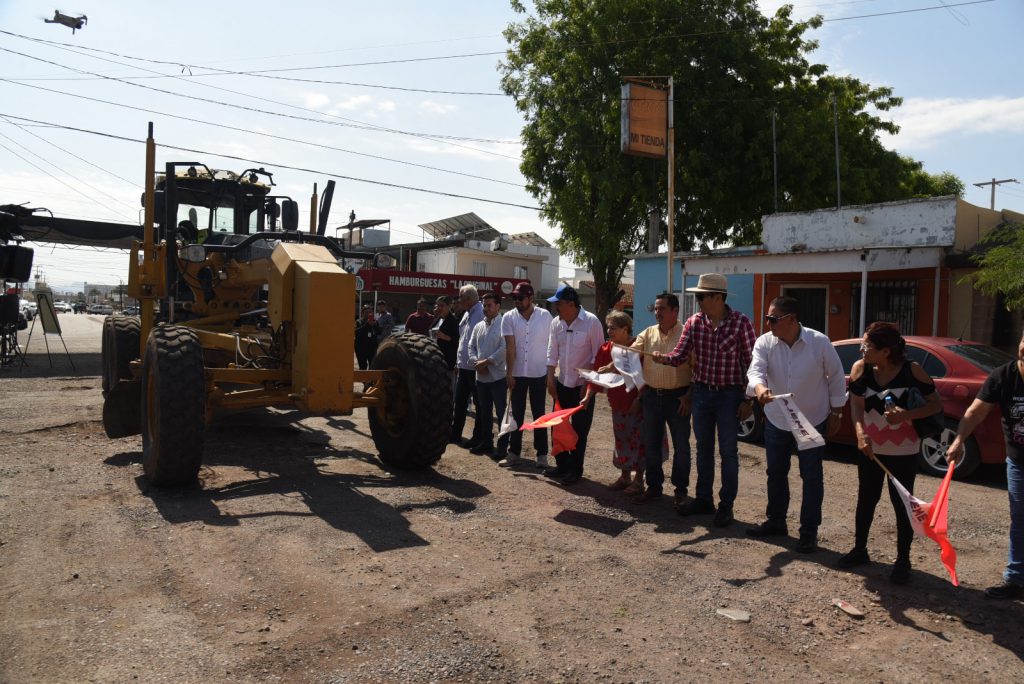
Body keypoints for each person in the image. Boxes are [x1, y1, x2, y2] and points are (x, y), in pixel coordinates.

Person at [838, 321, 942, 585]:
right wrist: (860, 433)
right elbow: (857, 406)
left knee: (902, 504)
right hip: (870, 448)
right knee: (866, 499)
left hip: (904, 450)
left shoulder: (912, 371)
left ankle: (903, 560)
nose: (862, 350)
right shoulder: (861, 369)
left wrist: (906, 415)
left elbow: (935, 405)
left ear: (886, 351)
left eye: (868, 346)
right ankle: (860, 549)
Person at [746, 296, 847, 553]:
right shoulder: (764, 343)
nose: (768, 323)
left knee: (811, 477)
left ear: (791, 319)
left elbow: (836, 376)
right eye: (767, 318)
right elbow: (755, 372)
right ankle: (776, 521)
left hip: (812, 420)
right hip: (778, 420)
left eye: (773, 319)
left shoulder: (819, 342)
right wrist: (759, 389)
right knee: (776, 473)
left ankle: (808, 532)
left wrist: (836, 413)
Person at [654, 273, 756, 528]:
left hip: (730, 394)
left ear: (718, 298)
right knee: (704, 449)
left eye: (701, 297)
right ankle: (704, 499)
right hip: (702, 393)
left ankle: (726, 505)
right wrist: (664, 358)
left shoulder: (741, 323)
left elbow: (753, 364)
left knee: (728, 452)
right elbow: (680, 355)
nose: (698, 301)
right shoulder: (694, 322)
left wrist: (748, 399)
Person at [946, 330, 1024, 599]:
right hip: (1018, 461)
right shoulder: (1004, 376)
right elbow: (976, 411)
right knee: (1020, 519)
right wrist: (958, 440)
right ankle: (1015, 579)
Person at [625, 292, 693, 505]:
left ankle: (680, 490)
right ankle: (654, 487)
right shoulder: (647, 333)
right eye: (656, 309)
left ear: (675, 310)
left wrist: (689, 396)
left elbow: (697, 369)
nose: (657, 313)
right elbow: (629, 354)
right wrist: (612, 363)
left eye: (662, 308)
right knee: (652, 444)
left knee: (682, 446)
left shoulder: (687, 334)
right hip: (652, 396)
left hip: (679, 399)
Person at [545, 284, 605, 486]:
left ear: (571, 304)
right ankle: (562, 465)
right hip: (562, 383)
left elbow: (599, 357)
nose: (556, 308)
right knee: (557, 427)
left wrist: (589, 385)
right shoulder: (556, 323)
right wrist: (550, 378)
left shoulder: (591, 322)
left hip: (582, 387)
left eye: (559, 304)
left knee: (580, 431)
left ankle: (575, 470)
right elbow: (552, 352)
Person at [586, 311, 650, 494]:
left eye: (613, 328)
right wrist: (588, 396)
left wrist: (639, 399)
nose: (609, 331)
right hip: (617, 404)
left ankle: (638, 481)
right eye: (608, 327)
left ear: (625, 329)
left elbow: (646, 376)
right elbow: (596, 375)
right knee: (622, 440)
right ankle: (625, 477)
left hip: (637, 405)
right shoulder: (606, 349)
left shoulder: (637, 347)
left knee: (639, 442)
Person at [500, 282, 552, 468]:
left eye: (520, 298)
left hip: (539, 373)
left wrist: (550, 372)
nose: (517, 301)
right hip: (518, 373)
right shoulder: (508, 317)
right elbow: (510, 347)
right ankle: (513, 452)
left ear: (531, 298)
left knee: (539, 414)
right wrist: (510, 373)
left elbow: (551, 345)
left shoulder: (546, 316)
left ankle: (542, 455)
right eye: (514, 298)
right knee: (517, 414)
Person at [469, 292, 509, 459]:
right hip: (481, 377)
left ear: (498, 306)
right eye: (484, 305)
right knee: (484, 412)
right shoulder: (479, 326)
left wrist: (487, 362)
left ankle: (502, 447)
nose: (485, 308)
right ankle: (486, 443)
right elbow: (470, 347)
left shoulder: (504, 325)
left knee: (501, 413)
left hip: (498, 377)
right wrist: (477, 363)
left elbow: (505, 348)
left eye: (489, 305)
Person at [450, 285, 485, 448]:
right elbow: (463, 339)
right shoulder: (466, 313)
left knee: (480, 405)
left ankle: (478, 438)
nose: (458, 300)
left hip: (476, 368)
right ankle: (455, 434)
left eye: (460, 298)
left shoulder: (481, 313)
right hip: (463, 367)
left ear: (469, 299)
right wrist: (458, 362)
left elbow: (482, 342)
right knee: (460, 402)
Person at [432, 295, 459, 381]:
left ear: (449, 306)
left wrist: (444, 336)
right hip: (436, 360)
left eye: (442, 305)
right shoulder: (438, 319)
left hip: (448, 361)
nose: (439, 308)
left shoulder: (454, 320)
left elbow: (458, 340)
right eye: (437, 305)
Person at [354, 304, 379, 371]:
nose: (368, 314)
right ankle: (364, 381)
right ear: (362, 313)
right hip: (361, 348)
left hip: (371, 348)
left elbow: (379, 332)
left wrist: (375, 325)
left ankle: (370, 381)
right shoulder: (358, 322)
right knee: (363, 367)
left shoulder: (375, 322)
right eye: (366, 312)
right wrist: (367, 325)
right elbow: (357, 332)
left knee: (372, 365)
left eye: (369, 312)